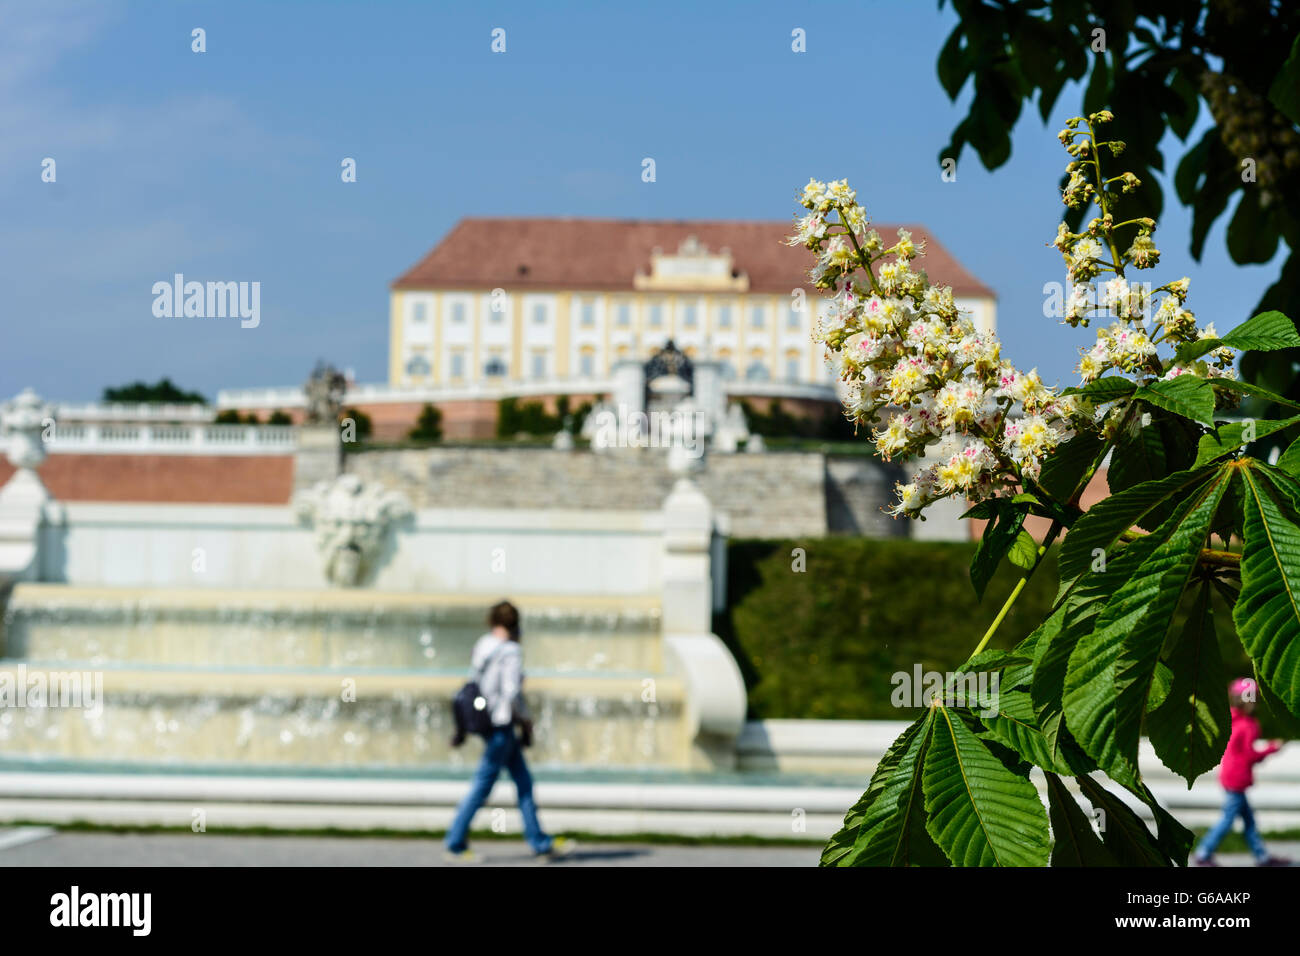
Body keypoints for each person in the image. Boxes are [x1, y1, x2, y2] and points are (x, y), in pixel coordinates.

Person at [444, 600, 573, 863]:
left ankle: (540, 842)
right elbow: (512, 693)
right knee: (483, 785)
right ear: (515, 624)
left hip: (486, 721)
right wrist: (526, 721)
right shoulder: (511, 652)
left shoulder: (484, 644)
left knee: (524, 782)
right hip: (502, 725)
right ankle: (455, 843)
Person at [1194, 678, 1289, 867]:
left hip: (1230, 777)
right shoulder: (1248, 725)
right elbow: (1249, 755)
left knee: (1248, 821)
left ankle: (1261, 857)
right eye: (1254, 699)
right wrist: (1272, 748)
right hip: (1237, 779)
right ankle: (1204, 852)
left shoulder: (1230, 720)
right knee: (1229, 819)